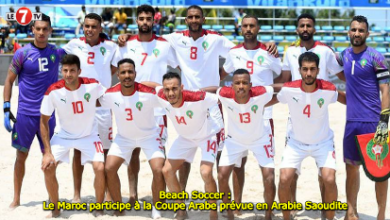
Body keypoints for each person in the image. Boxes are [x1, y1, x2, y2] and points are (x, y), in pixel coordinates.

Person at [118, 4, 277, 195]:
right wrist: (126, 37)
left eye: (197, 17)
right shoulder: (175, 38)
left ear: (203, 19)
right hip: (183, 102)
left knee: (220, 153)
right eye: (190, 17)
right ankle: (182, 193)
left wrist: (269, 45)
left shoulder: (216, 39)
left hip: (210, 102)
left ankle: (221, 199)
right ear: (186, 20)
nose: (194, 20)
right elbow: (148, 35)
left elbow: (241, 49)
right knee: (185, 151)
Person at [274, 14, 344, 216]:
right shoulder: (291, 51)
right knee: (289, 175)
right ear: (297, 29)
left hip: (319, 108)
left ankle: (326, 210)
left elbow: (341, 76)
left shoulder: (325, 50)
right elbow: (284, 80)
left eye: (309, 25)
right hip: (295, 113)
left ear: (314, 28)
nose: (305, 28)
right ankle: (292, 207)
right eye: (302, 25)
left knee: (326, 177)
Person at [112, 4, 177, 207]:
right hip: (130, 105)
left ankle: (161, 196)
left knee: (159, 153)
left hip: (157, 109)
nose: (145, 22)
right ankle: (132, 195)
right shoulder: (125, 44)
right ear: (136, 20)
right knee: (132, 153)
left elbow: (181, 64)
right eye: (141, 19)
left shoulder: (165, 45)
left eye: (148, 19)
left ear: (153, 20)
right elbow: (115, 69)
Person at [220, 14, 281, 217]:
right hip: (238, 113)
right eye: (245, 25)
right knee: (238, 163)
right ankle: (236, 205)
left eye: (252, 26)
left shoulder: (269, 51)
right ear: (241, 27)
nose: (248, 29)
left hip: (264, 114)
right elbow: (222, 74)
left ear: (258, 28)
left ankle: (269, 211)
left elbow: (281, 76)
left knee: (267, 168)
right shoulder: (234, 52)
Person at [3, 14, 65, 209]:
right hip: (25, 115)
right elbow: (8, 81)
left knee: (50, 158)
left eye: (45, 29)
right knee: (21, 156)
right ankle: (17, 198)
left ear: (50, 31)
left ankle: (52, 199)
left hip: (48, 116)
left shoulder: (58, 52)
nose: (41, 32)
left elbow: (83, 53)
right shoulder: (22, 54)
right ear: (32, 30)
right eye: (38, 29)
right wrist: (6, 108)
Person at [40, 54, 106, 218]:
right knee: (48, 167)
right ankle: (55, 209)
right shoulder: (53, 91)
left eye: (72, 71)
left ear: (79, 71)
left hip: (89, 135)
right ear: (61, 71)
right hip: (63, 136)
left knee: (100, 168)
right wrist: (47, 152)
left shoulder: (93, 85)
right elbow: (43, 121)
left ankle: (99, 208)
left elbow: (110, 97)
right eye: (65, 70)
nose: (68, 74)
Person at [337, 15, 389, 220]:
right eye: (354, 30)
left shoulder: (376, 57)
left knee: (380, 171)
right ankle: (351, 212)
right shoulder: (344, 55)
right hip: (351, 122)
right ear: (349, 32)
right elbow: (328, 61)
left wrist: (384, 122)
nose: (357, 33)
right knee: (351, 169)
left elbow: (386, 90)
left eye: (361, 30)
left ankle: (381, 215)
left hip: (373, 122)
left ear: (367, 33)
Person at [62, 12, 118, 203]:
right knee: (78, 149)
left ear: (100, 28)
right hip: (80, 106)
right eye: (87, 26)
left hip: (103, 107)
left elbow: (115, 67)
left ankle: (108, 194)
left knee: (105, 150)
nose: (90, 29)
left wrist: (103, 81)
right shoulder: (73, 45)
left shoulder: (110, 47)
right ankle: (77, 194)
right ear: (83, 26)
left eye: (94, 26)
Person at [102, 58, 166, 219]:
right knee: (109, 168)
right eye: (123, 72)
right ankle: (118, 208)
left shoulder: (148, 93)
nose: (127, 75)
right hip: (124, 138)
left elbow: (170, 97)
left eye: (130, 72)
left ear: (135, 74)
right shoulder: (110, 94)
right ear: (118, 75)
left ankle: (157, 208)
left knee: (159, 169)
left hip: (149, 136)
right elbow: (92, 102)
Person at [158, 72, 220, 220]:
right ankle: (181, 209)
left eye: (175, 88)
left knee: (205, 173)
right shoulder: (161, 96)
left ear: (182, 88)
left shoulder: (198, 98)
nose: (171, 93)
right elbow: (151, 86)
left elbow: (221, 94)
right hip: (185, 138)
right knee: (167, 170)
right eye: (167, 89)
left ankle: (213, 213)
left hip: (207, 135)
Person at [217, 69, 275, 220]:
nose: (241, 86)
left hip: (260, 139)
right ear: (232, 86)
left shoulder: (261, 93)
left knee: (269, 177)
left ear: (250, 85)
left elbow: (278, 89)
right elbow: (211, 90)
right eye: (237, 83)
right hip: (234, 141)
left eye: (244, 83)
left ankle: (268, 215)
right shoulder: (224, 94)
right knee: (222, 175)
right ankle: (231, 213)